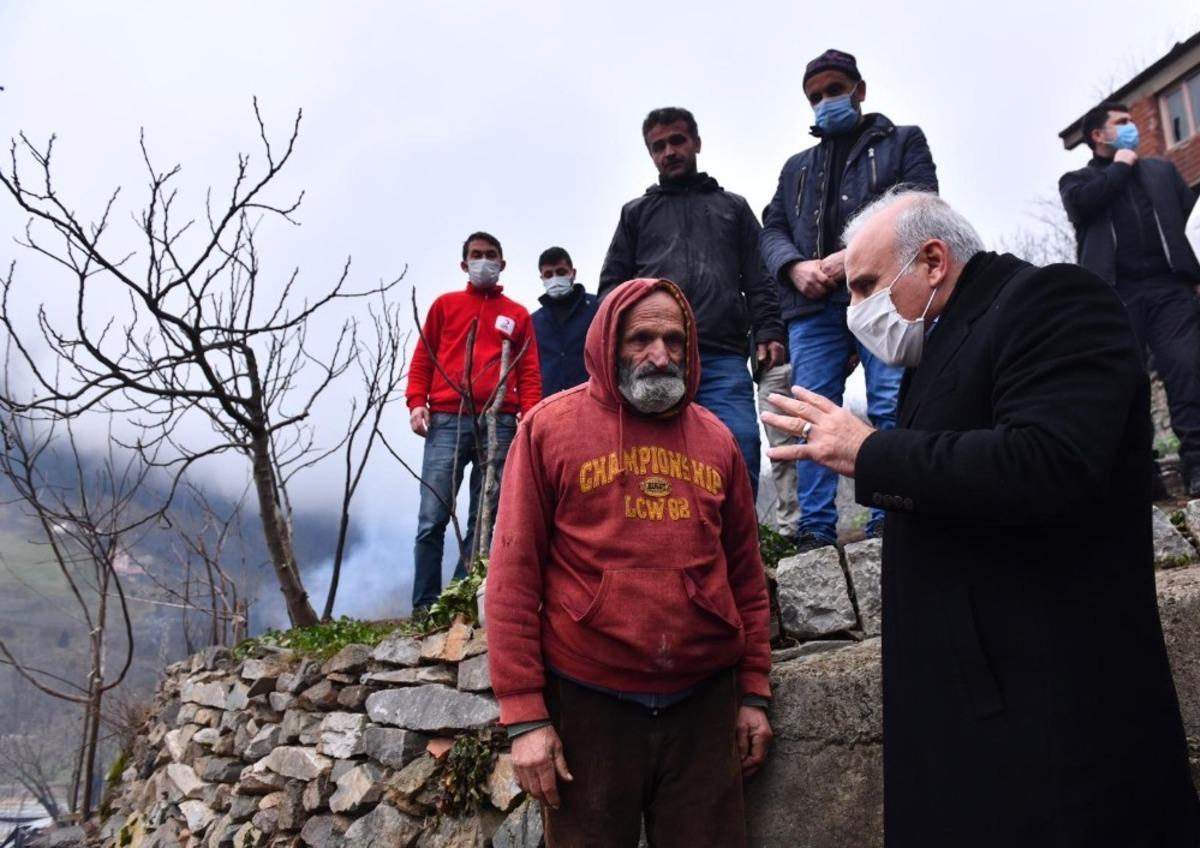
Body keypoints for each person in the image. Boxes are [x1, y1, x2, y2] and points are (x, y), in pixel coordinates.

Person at [763, 189, 1200, 846]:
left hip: (1052, 734)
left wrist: (870, 451)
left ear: (933, 260)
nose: (854, 312)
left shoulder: (1052, 301)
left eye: (865, 287)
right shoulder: (934, 354)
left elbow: (1049, 463)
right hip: (975, 729)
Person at [487, 278, 773, 848]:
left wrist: (753, 694)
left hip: (704, 707)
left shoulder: (717, 441)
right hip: (589, 701)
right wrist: (526, 719)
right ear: (608, 342)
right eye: (641, 338)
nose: (659, 354)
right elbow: (513, 579)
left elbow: (746, 575)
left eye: (673, 339)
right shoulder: (548, 430)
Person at [759, 48, 938, 551]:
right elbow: (771, 230)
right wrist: (793, 266)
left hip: (884, 291)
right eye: (815, 96)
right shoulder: (796, 167)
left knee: (890, 402)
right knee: (811, 411)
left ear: (859, 89)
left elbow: (920, 202)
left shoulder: (903, 141)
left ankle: (894, 510)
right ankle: (815, 529)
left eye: (834, 90)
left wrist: (847, 260)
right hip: (812, 310)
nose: (825, 101)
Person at [598, 107, 786, 496]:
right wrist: (614, 348)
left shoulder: (732, 207)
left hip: (721, 357)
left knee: (739, 444)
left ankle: (739, 547)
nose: (669, 152)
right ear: (650, 154)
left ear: (696, 142)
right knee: (654, 458)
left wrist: (768, 328)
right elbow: (612, 289)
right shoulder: (636, 214)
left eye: (677, 141)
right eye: (658, 146)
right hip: (654, 358)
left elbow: (759, 277)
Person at [1060, 102, 1200, 495]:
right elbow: (1084, 207)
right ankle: (1143, 476)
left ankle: (1197, 464)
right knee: (1126, 384)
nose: (1132, 128)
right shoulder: (1075, 181)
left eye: (1132, 121)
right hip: (1115, 296)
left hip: (1170, 289)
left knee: (1186, 371)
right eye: (1121, 123)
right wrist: (1120, 166)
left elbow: (1193, 222)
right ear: (1098, 136)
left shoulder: (1161, 170)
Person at [404, 231, 541, 612]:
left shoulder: (517, 315)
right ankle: (424, 606)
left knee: (486, 517)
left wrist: (529, 415)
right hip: (447, 418)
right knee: (432, 516)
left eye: (491, 255)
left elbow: (528, 371)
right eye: (477, 255)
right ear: (464, 264)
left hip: (499, 423)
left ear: (502, 263)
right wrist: (417, 402)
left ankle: (461, 597)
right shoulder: (444, 306)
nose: (484, 261)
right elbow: (423, 358)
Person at [530, 246, 599, 397]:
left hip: (592, 399)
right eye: (548, 274)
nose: (555, 278)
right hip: (549, 403)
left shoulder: (597, 307)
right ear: (542, 278)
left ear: (572, 273)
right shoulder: (534, 321)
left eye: (561, 272)